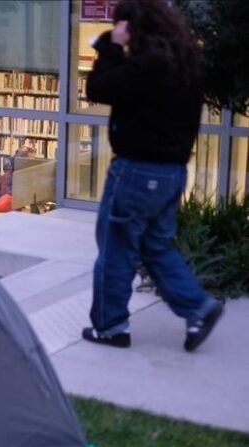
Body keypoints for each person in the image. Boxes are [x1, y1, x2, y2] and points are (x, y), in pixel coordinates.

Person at [82, 0, 223, 352]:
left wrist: (111, 48)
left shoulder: (147, 65)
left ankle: (110, 326)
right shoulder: (184, 64)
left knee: (116, 250)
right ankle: (198, 308)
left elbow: (98, 89)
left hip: (136, 172)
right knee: (154, 246)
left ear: (132, 26)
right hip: (171, 173)